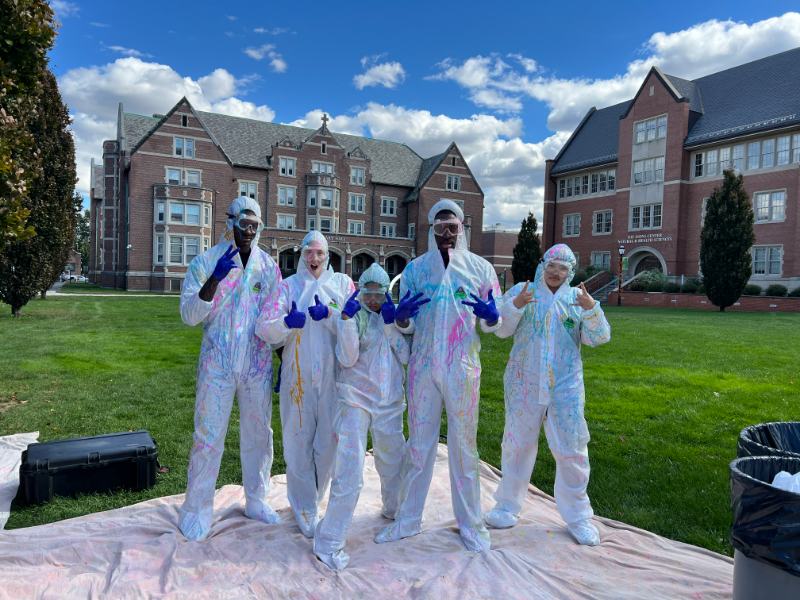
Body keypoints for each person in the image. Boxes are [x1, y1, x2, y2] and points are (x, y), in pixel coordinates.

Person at [374, 199, 501, 553]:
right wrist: (401, 317)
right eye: (440, 228)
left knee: (464, 446)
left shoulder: (480, 269)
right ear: (431, 230)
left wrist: (491, 316)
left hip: (462, 367)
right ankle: (409, 519)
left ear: (462, 229)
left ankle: (472, 524)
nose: (446, 234)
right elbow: (409, 324)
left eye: (452, 228)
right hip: (424, 367)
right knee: (419, 445)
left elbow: (494, 322)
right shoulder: (416, 270)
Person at [484, 243, 611, 546]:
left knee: (572, 448)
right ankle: (506, 505)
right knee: (517, 443)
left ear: (570, 271)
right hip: (523, 383)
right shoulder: (524, 290)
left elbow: (600, 337)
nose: (556, 273)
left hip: (565, 388)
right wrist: (516, 304)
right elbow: (499, 330)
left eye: (563, 268)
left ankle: (579, 516)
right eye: (552, 266)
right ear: (543, 265)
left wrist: (592, 310)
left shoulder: (576, 299)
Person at [178, 196, 283, 541]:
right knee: (208, 436)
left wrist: (283, 352)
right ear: (230, 222)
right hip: (217, 364)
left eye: (255, 226)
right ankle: (196, 509)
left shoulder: (269, 267)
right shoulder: (206, 262)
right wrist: (214, 279)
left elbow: (272, 316)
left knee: (258, 434)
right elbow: (190, 316)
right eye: (244, 225)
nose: (249, 232)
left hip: (256, 364)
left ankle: (256, 498)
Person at [256, 230, 355, 537]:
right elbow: (264, 328)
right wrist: (287, 323)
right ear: (301, 254)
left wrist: (330, 314)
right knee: (298, 442)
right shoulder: (288, 288)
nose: (314, 259)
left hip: (332, 377)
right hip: (296, 379)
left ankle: (316, 497)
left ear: (328, 255)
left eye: (320, 253)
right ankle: (303, 506)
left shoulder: (342, 285)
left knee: (328, 443)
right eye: (309, 252)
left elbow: (358, 325)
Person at [313, 263, 410, 570]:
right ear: (359, 291)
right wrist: (345, 320)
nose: (373, 300)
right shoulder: (352, 317)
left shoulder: (390, 319)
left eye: (378, 294)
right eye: (368, 293)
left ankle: (394, 508)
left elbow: (406, 357)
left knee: (392, 457)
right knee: (350, 468)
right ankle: (329, 540)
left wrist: (393, 325)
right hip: (355, 397)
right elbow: (348, 357)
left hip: (389, 398)